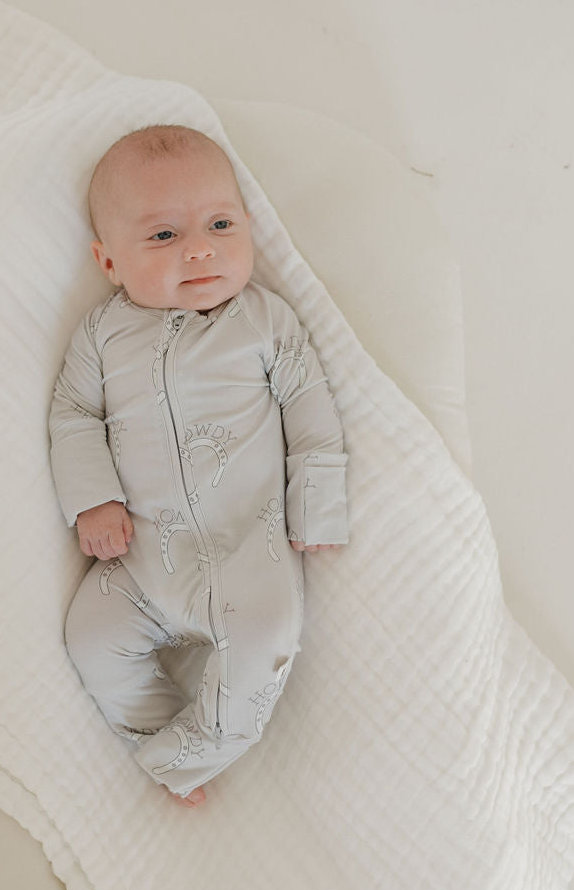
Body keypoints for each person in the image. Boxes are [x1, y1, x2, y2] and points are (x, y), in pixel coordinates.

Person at [49, 124, 349, 805]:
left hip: (251, 545)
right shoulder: (103, 333)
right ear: (109, 263)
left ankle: (192, 755)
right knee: (91, 639)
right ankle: (152, 729)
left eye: (219, 223)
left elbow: (310, 411)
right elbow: (71, 412)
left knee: (269, 640)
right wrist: (91, 499)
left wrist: (319, 505)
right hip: (142, 558)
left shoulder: (264, 321)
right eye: (163, 236)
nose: (200, 248)